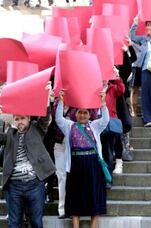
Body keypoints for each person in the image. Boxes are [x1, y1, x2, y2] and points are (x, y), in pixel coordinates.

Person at [0, 82, 55, 228]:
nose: (20, 122)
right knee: (14, 223)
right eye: (16, 119)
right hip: (14, 186)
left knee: (36, 222)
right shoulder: (10, 134)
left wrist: (47, 97)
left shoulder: (37, 129)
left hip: (35, 185)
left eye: (22, 118)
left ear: (29, 118)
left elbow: (45, 117)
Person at [55, 90, 109, 228]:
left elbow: (105, 120)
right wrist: (61, 101)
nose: (83, 115)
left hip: (93, 165)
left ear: (90, 114)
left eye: (85, 112)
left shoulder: (94, 126)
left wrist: (103, 103)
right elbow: (58, 119)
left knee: (94, 195)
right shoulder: (69, 126)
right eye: (80, 112)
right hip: (76, 165)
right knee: (75, 195)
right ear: (76, 114)